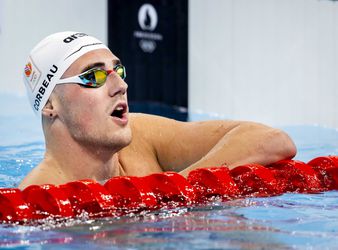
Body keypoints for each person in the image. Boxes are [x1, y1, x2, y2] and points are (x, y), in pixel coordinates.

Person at [18, 31, 296, 189]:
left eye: (117, 70)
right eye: (94, 77)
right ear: (51, 105)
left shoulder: (141, 137)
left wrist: (174, 188)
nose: (121, 85)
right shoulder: (38, 197)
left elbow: (273, 140)